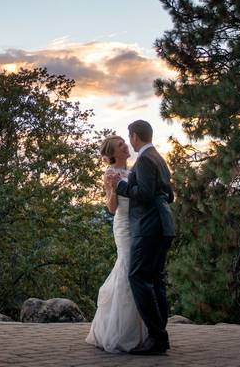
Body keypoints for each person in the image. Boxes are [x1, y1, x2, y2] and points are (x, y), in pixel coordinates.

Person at [106, 119, 175, 355]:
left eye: (128, 139)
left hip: (148, 227)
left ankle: (157, 336)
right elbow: (170, 195)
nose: (128, 144)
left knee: (137, 276)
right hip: (161, 225)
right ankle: (157, 333)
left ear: (135, 136)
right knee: (154, 278)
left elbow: (144, 194)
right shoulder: (158, 157)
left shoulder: (144, 160)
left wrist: (123, 188)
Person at [84, 134, 149, 353]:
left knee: (136, 271)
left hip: (139, 224)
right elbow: (112, 208)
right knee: (127, 269)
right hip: (123, 226)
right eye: (121, 145)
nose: (126, 146)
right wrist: (112, 188)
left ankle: (139, 331)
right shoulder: (110, 173)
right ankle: (119, 332)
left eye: (124, 143)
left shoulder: (133, 171)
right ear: (113, 153)